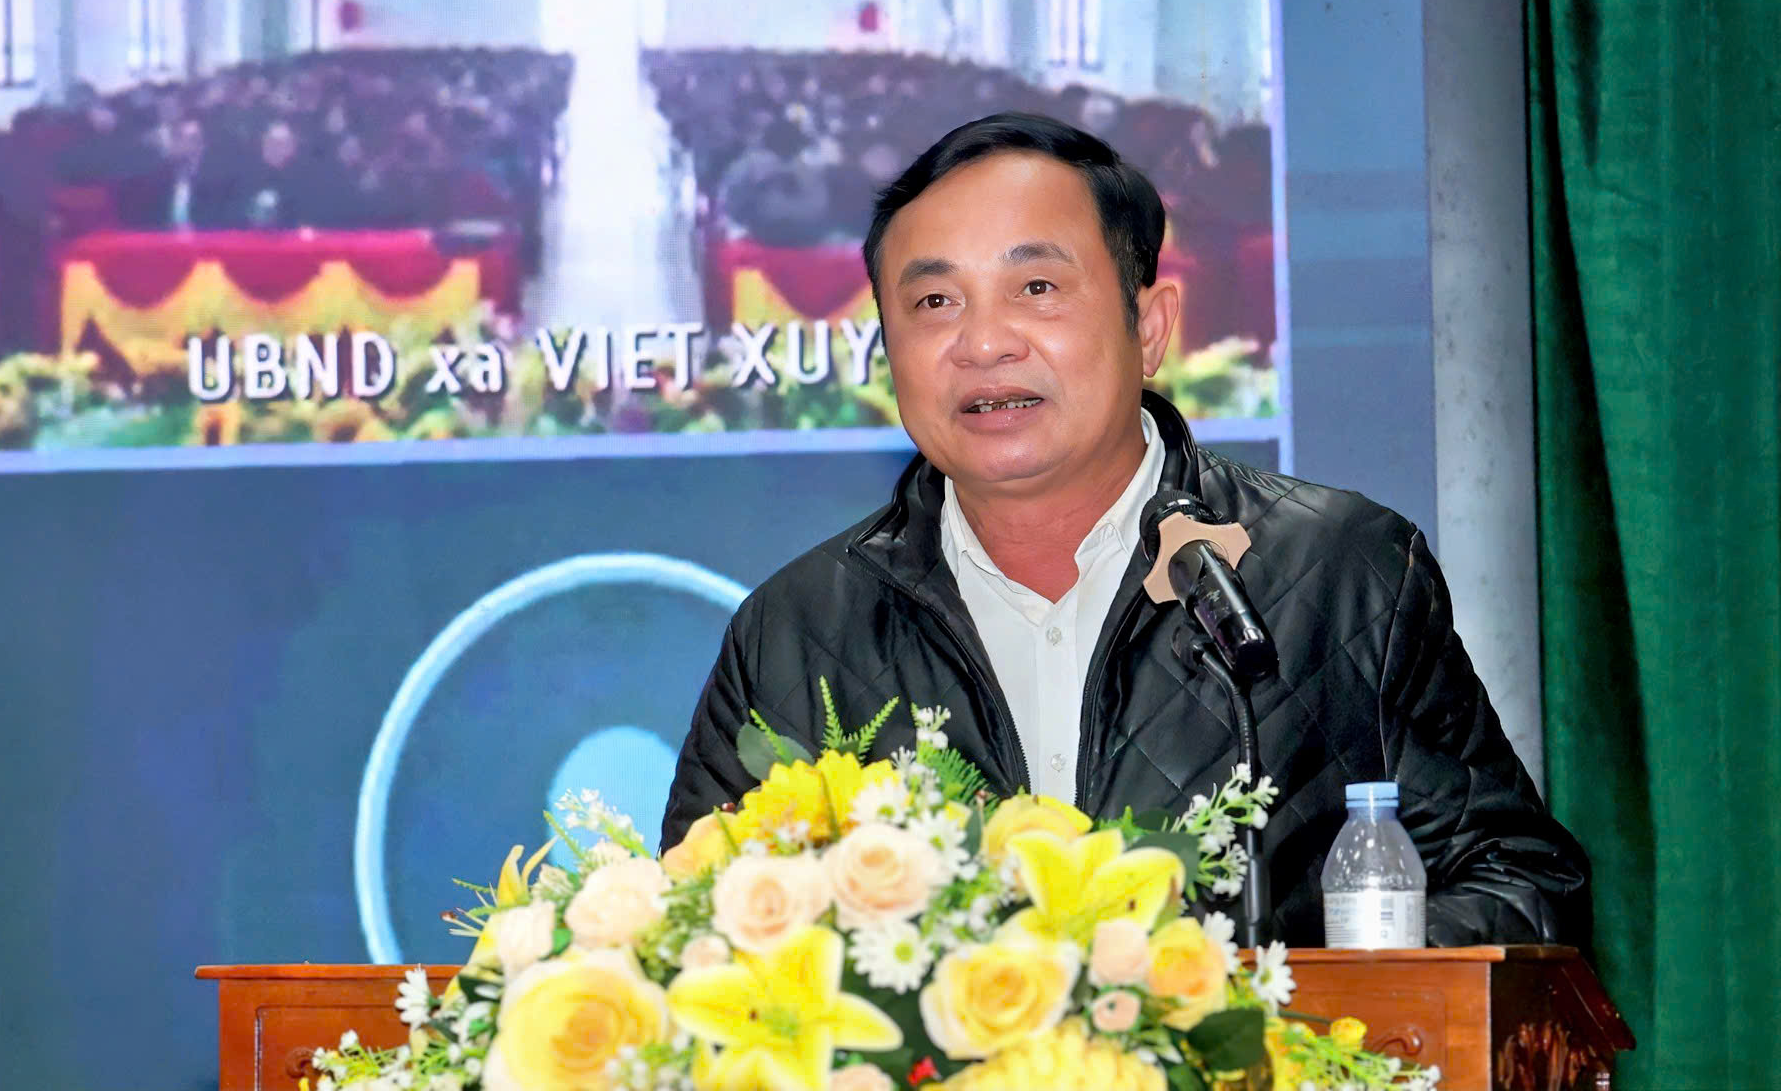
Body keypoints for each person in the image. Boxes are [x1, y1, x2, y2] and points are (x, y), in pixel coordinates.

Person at [662, 112, 1589, 947]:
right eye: (934, 303)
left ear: (1149, 326)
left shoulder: (1340, 571)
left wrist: (1272, 1002)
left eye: (1036, 286)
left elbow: (1520, 885)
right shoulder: (796, 629)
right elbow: (693, 941)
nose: (984, 343)